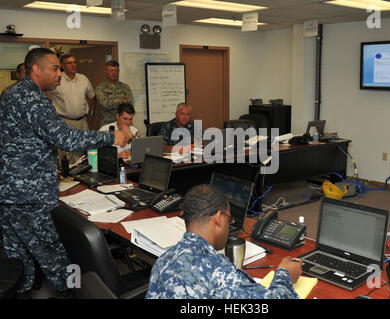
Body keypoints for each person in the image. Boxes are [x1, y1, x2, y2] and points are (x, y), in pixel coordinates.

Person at [0, 48, 131, 298]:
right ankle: (72, 294)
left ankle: (23, 293)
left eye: (60, 68)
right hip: (30, 195)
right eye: (55, 68)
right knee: (55, 257)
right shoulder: (33, 99)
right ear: (36, 69)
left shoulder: (11, 92)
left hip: (9, 192)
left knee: (18, 256)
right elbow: (66, 137)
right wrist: (111, 136)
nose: (60, 73)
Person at [146, 184, 302, 299]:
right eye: (229, 219)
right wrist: (284, 275)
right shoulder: (219, 273)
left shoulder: (164, 258)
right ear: (219, 218)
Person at [50, 54, 97, 164]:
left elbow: (92, 97)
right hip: (65, 122)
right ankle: (67, 178)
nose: (73, 65)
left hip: (82, 122)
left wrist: (90, 116)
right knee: (67, 154)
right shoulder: (57, 79)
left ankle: (83, 177)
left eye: (74, 62)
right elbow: (47, 97)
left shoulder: (83, 79)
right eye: (69, 63)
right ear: (63, 65)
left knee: (85, 153)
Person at [96, 60, 133, 127]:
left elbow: (129, 104)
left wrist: (112, 101)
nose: (114, 73)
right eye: (111, 70)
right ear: (106, 72)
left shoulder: (125, 87)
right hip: (107, 124)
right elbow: (105, 104)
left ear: (118, 72)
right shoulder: (100, 88)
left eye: (116, 70)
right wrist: (122, 100)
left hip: (124, 124)